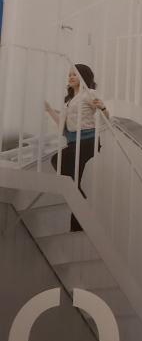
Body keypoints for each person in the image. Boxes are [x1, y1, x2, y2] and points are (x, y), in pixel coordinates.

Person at [45, 64, 108, 232]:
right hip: (73, 142)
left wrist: (103, 108)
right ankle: (78, 223)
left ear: (83, 76)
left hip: (88, 141)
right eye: (69, 75)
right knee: (73, 182)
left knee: (60, 161)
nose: (71, 77)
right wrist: (49, 110)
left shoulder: (89, 93)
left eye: (75, 74)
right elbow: (63, 125)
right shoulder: (68, 101)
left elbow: (106, 117)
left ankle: (80, 203)